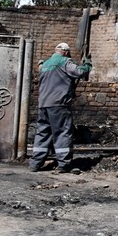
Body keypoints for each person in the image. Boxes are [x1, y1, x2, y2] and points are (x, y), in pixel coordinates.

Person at [28, 42, 92, 172]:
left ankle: (35, 163)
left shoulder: (45, 64)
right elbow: (79, 72)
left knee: (42, 133)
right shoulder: (65, 62)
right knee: (62, 132)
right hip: (59, 104)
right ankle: (63, 165)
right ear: (66, 52)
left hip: (43, 104)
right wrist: (87, 65)